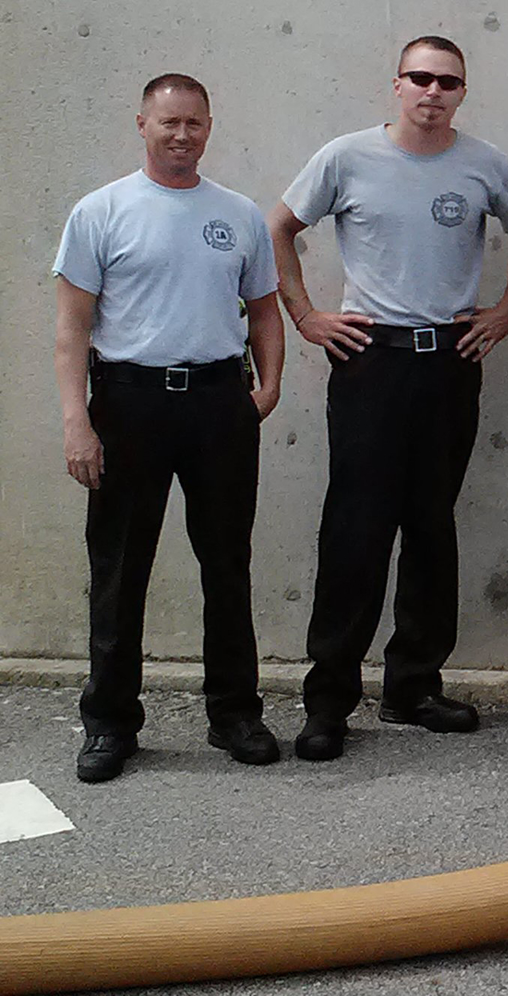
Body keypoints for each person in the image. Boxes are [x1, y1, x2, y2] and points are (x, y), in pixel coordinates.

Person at [269, 37, 508, 762]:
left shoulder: (483, 165)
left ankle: (413, 685)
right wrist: (306, 317)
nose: (433, 91)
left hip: (449, 365)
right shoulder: (347, 157)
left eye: (448, 81)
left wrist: (506, 310)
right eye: (421, 77)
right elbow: (279, 230)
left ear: (461, 92)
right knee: (355, 531)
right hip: (370, 364)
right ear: (397, 83)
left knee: (430, 527)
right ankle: (328, 703)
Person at [53, 73, 285, 783]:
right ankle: (111, 724)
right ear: (142, 125)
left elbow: (266, 310)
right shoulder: (102, 212)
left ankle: (236, 714)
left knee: (227, 564)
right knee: (119, 571)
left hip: (219, 401)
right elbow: (71, 327)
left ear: (210, 127)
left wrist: (267, 388)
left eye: (195, 123)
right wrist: (76, 421)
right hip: (128, 403)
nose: (182, 135)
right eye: (168, 123)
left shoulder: (237, 214)